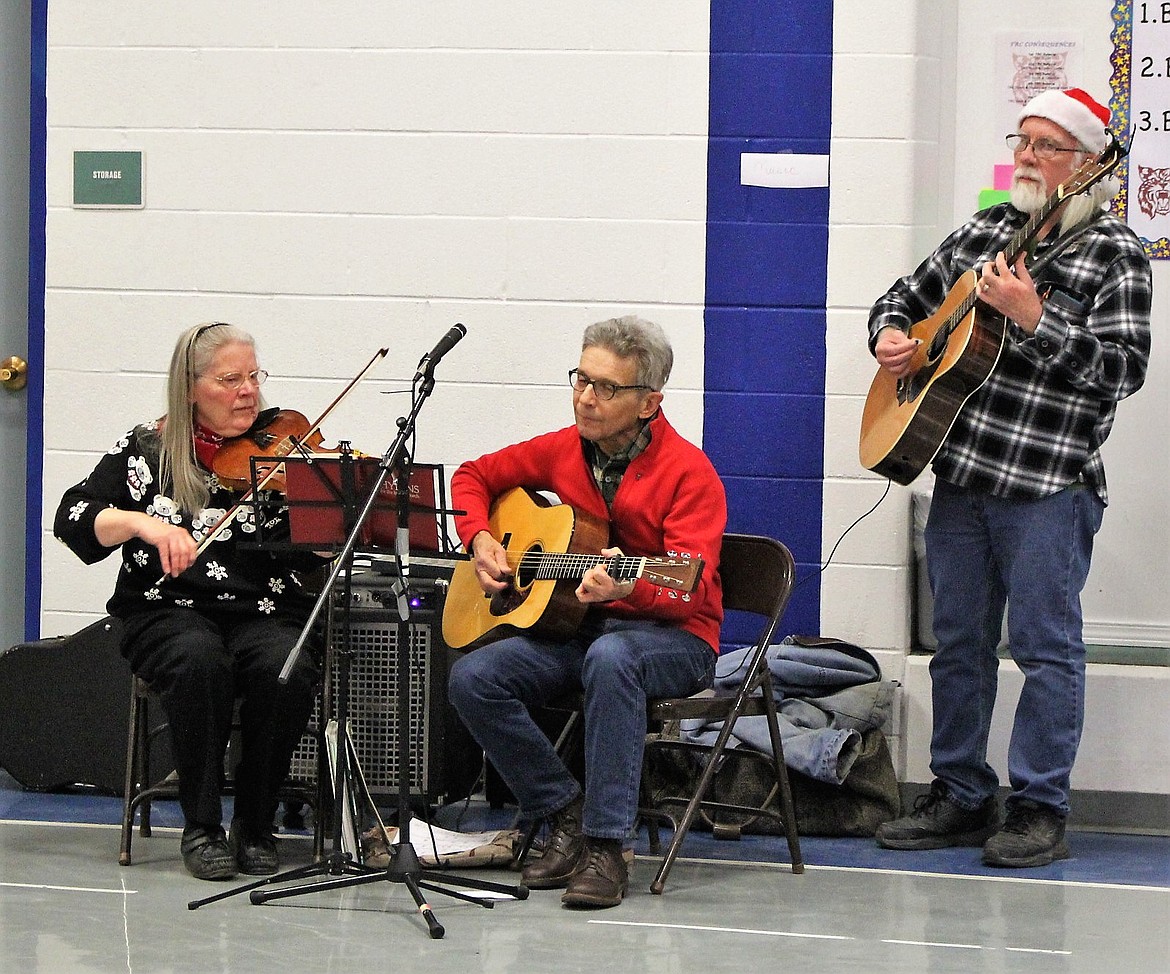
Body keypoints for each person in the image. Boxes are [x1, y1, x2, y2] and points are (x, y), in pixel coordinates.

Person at [868, 89, 1152, 867]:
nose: (1026, 157)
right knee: (958, 644)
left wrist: (1035, 317)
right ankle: (960, 793)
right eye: (1022, 141)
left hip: (1048, 488)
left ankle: (1038, 808)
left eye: (1046, 146)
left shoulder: (1115, 253)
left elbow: (1121, 372)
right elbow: (902, 298)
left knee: (1044, 649)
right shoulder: (988, 230)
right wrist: (891, 335)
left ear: (1088, 165)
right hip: (961, 478)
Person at [446, 315, 726, 908]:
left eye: (606, 388)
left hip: (675, 641)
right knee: (474, 677)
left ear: (649, 402)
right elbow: (473, 475)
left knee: (613, 655)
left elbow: (690, 592)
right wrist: (479, 539)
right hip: (584, 629)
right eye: (581, 379)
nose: (585, 398)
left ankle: (608, 845)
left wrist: (628, 590)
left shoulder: (690, 472)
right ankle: (562, 810)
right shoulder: (561, 450)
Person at [54, 323, 328, 880]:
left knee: (286, 667)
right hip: (166, 610)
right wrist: (142, 524)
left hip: (265, 608)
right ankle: (202, 827)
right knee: (198, 661)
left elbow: (312, 549)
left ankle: (256, 822)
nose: (249, 391)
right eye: (230, 379)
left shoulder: (284, 450)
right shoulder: (147, 449)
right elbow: (74, 517)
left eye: (254, 376)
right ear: (189, 388)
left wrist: (332, 528)